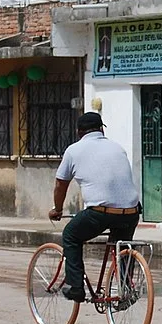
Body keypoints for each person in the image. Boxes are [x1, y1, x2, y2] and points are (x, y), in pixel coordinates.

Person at [48, 112, 142, 302]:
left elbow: (60, 185)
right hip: (131, 212)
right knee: (121, 244)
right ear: (101, 129)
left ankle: (76, 288)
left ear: (78, 132)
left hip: (100, 213)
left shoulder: (73, 150)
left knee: (71, 235)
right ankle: (125, 290)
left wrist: (57, 209)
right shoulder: (118, 148)